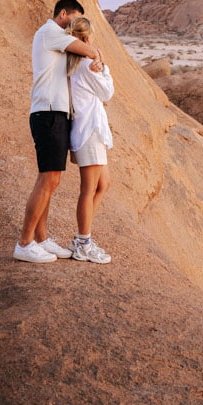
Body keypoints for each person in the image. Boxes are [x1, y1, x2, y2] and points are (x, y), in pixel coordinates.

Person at [13, 0, 103, 264]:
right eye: (72, 19)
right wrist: (97, 55)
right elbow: (87, 50)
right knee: (49, 180)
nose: (73, 25)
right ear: (62, 13)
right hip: (48, 113)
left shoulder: (55, 37)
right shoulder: (51, 32)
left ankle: (41, 239)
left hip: (55, 114)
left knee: (50, 180)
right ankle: (25, 243)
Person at [66, 16, 114, 264]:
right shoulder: (86, 65)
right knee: (88, 190)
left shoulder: (74, 65)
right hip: (89, 131)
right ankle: (83, 242)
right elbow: (107, 93)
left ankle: (81, 237)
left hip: (89, 130)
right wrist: (103, 65)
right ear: (87, 38)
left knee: (103, 184)